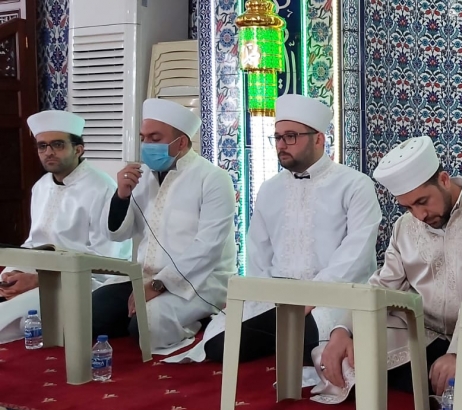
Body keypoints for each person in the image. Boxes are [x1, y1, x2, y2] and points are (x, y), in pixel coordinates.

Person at [165, 94, 381, 379]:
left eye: (291, 137)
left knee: (309, 337)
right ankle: (281, 337)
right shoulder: (269, 189)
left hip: (334, 295)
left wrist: (311, 297)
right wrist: (262, 295)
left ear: (319, 139)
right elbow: (259, 253)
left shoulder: (355, 185)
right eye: (277, 137)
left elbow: (356, 255)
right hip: (278, 298)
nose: (281, 145)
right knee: (219, 344)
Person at [315, 136, 462, 410]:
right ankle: (430, 380)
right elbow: (381, 287)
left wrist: (459, 353)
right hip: (421, 333)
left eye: (423, 201)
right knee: (340, 356)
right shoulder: (405, 226)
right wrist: (342, 331)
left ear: (444, 180)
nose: (420, 215)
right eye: (409, 207)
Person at [92, 98, 237, 352]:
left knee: (147, 328)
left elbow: (208, 248)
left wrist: (160, 284)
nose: (147, 145)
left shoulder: (213, 178)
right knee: (91, 313)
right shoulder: (142, 177)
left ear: (181, 142)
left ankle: (202, 318)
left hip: (199, 281)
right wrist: (121, 196)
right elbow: (118, 234)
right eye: (144, 138)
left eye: (155, 138)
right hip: (145, 277)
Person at [0, 110, 131, 343]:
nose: (48, 152)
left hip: (83, 280)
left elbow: (105, 260)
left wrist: (41, 280)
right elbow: (33, 243)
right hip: (40, 272)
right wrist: (15, 272)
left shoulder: (102, 188)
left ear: (78, 149)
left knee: (24, 317)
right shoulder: (41, 187)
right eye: (42, 146)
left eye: (57, 145)